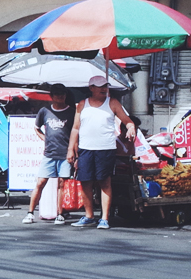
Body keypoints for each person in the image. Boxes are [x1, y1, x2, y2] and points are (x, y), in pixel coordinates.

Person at [65, 73, 136, 230]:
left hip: (105, 149)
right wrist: (71, 149)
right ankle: (89, 216)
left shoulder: (113, 103)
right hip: (85, 149)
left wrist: (131, 127)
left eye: (105, 86)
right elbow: (75, 128)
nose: (104, 89)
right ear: (91, 88)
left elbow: (128, 121)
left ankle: (104, 218)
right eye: (100, 86)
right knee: (85, 182)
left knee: (105, 182)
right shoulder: (82, 104)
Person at [25, 85, 76, 225]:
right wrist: (45, 140)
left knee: (62, 184)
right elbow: (36, 128)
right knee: (40, 182)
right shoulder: (44, 111)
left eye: (63, 94)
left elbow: (76, 133)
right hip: (49, 154)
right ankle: (30, 213)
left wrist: (74, 153)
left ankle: (60, 214)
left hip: (65, 154)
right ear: (52, 96)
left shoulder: (72, 112)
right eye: (57, 94)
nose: (60, 97)